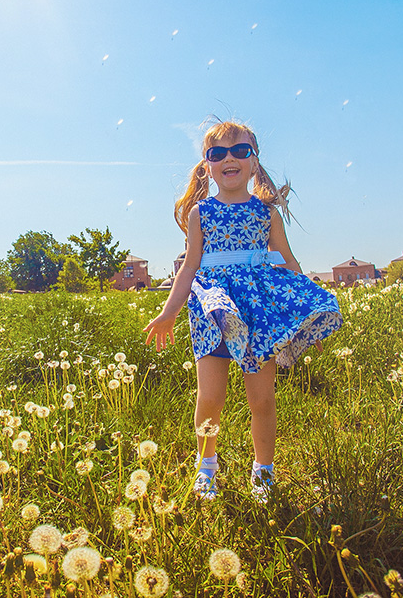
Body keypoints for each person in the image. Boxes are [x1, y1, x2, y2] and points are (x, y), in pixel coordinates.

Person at [144, 119, 342, 500]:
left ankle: (263, 472)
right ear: (207, 165)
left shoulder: (267, 214)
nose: (229, 159)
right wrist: (169, 312)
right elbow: (189, 266)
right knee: (210, 397)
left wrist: (307, 323)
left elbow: (288, 263)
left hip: (259, 312)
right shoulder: (200, 213)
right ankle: (206, 467)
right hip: (214, 308)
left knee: (262, 399)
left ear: (253, 162)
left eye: (240, 151)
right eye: (218, 154)